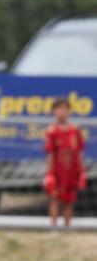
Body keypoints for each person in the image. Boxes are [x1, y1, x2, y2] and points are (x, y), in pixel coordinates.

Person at [44, 97, 86, 228]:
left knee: (69, 199)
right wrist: (49, 173)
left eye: (64, 109)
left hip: (71, 170)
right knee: (55, 197)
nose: (62, 112)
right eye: (59, 109)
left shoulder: (75, 130)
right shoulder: (52, 131)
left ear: (69, 111)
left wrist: (82, 171)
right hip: (57, 170)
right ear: (54, 111)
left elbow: (79, 152)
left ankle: (67, 226)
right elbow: (50, 153)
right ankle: (54, 227)